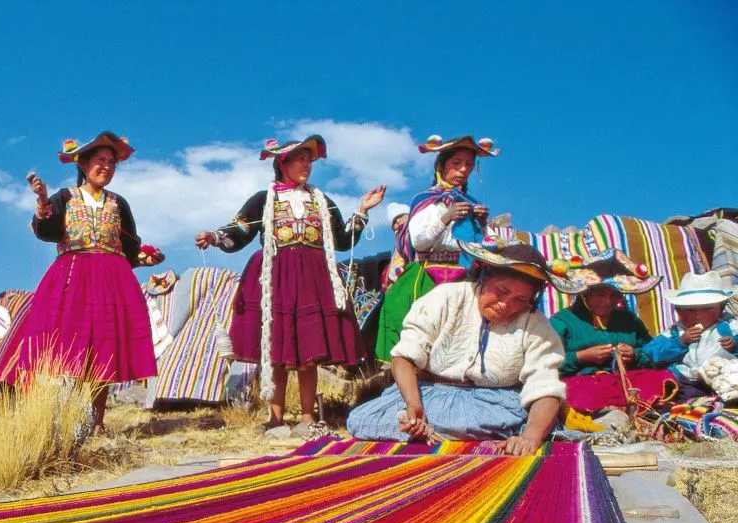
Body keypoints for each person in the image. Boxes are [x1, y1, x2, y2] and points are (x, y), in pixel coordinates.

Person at [195, 135, 385, 429]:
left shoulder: (321, 201)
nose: (306, 164)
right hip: (276, 276)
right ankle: (275, 417)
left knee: (308, 350)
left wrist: (362, 210)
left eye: (309, 159)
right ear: (282, 162)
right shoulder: (264, 199)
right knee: (277, 348)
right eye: (300, 158)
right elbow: (240, 231)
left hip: (313, 277)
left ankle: (308, 417)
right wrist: (214, 236)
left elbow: (342, 241)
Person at [347, 240, 566, 456]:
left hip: (494, 406)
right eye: (501, 291)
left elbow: (545, 387)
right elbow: (404, 357)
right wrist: (413, 405)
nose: (506, 305)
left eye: (520, 299)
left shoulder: (536, 324)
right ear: (484, 276)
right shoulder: (446, 297)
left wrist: (531, 436)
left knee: (531, 423)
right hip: (428, 397)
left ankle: (440, 433)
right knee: (361, 420)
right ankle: (454, 433)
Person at [11, 131, 164, 432]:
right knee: (71, 346)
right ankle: (68, 419)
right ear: (82, 165)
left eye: (111, 162)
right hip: (74, 277)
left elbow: (130, 246)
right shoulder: (66, 198)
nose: (106, 167)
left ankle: (96, 422)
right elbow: (47, 229)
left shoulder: (118, 204)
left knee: (103, 348)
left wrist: (147, 257)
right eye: (99, 161)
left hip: (111, 278)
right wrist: (42, 199)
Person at [376, 135, 499, 362]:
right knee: (423, 336)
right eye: (456, 163)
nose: (463, 170)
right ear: (441, 165)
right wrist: (447, 217)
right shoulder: (426, 200)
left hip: (463, 278)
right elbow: (418, 242)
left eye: (469, 165)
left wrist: (481, 224)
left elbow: (479, 248)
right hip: (427, 277)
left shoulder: (470, 202)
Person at [547, 249, 676, 414]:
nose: (608, 302)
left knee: (660, 378)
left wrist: (634, 355)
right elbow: (546, 365)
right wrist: (580, 357)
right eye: (600, 294)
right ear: (584, 294)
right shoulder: (562, 321)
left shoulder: (629, 320)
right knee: (576, 392)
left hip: (626, 382)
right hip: (582, 383)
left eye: (615, 295)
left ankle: (627, 410)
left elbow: (650, 354)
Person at [642, 271, 736, 399]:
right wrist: (680, 342)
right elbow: (651, 353)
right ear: (679, 310)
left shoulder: (730, 325)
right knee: (687, 398)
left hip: (725, 378)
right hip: (688, 382)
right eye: (691, 310)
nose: (699, 316)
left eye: (708, 308)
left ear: (721, 307)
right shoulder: (675, 331)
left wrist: (735, 345)